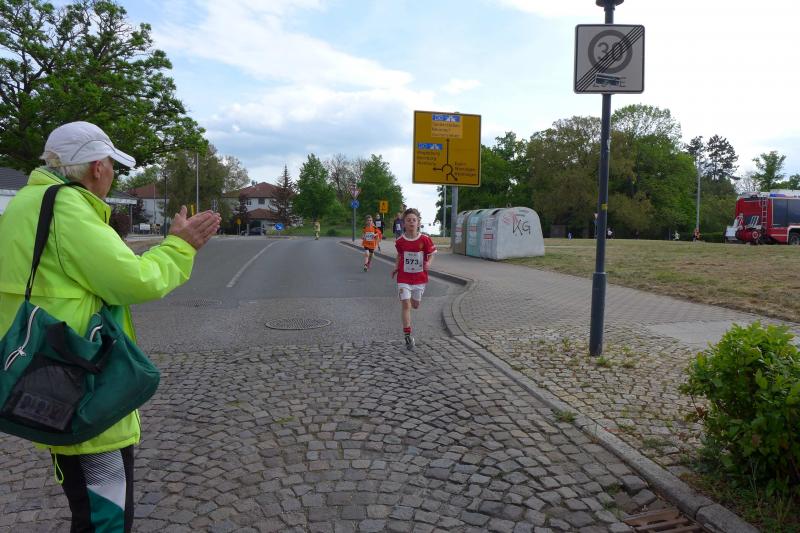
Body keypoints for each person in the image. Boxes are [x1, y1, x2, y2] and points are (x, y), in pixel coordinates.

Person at [0, 121, 221, 532]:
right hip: (83, 386)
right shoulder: (67, 208)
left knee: (87, 506)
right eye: (113, 166)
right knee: (106, 518)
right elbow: (133, 281)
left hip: (42, 375)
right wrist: (180, 246)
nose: (114, 175)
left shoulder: (24, 203)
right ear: (97, 167)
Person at [391, 208, 436, 350]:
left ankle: (411, 298)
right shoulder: (400, 241)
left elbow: (431, 254)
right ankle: (407, 336)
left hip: (419, 278)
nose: (411, 222)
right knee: (406, 305)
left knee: (415, 305)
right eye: (408, 220)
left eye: (414, 220)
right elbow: (399, 255)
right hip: (403, 277)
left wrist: (429, 263)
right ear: (404, 223)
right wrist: (396, 267)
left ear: (418, 223)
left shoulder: (425, 239)